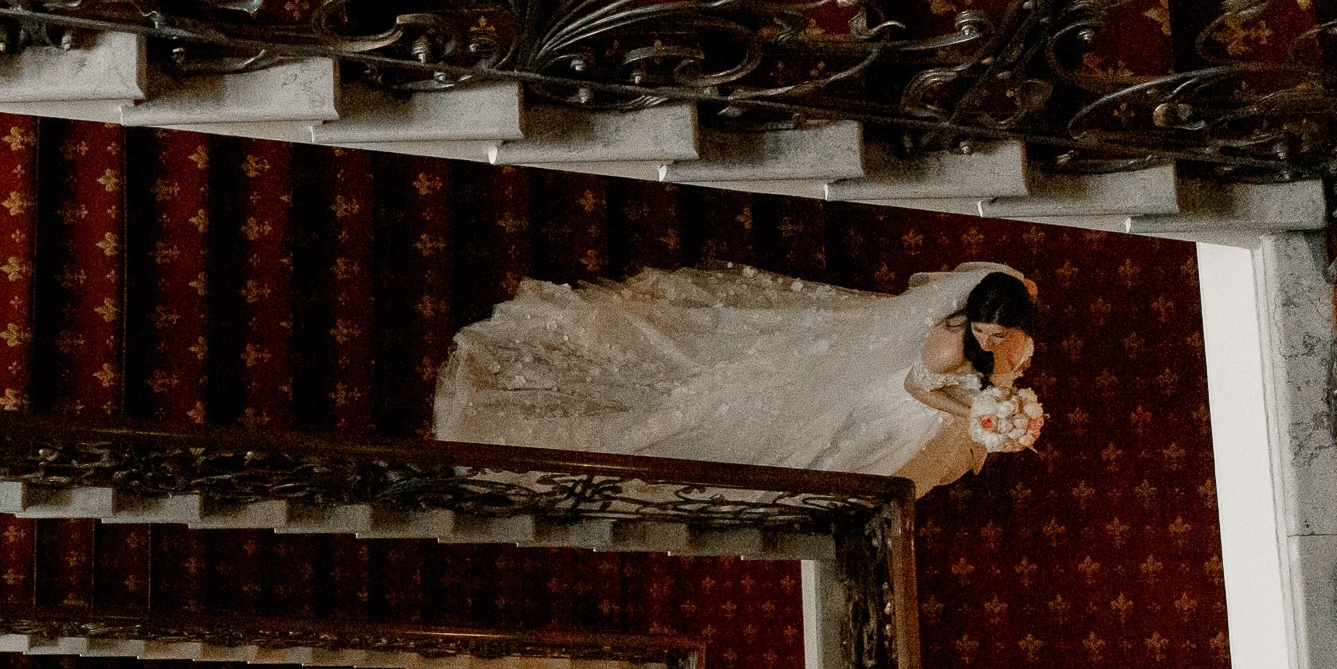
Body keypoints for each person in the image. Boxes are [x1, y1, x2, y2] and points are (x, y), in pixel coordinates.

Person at [432, 259, 1042, 496]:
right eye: (982, 334)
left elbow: (1000, 375)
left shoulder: (1012, 340)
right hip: (906, 405)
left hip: (942, 412)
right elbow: (916, 390)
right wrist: (973, 416)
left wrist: (1006, 404)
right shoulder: (942, 346)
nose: (988, 343)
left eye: (997, 336)